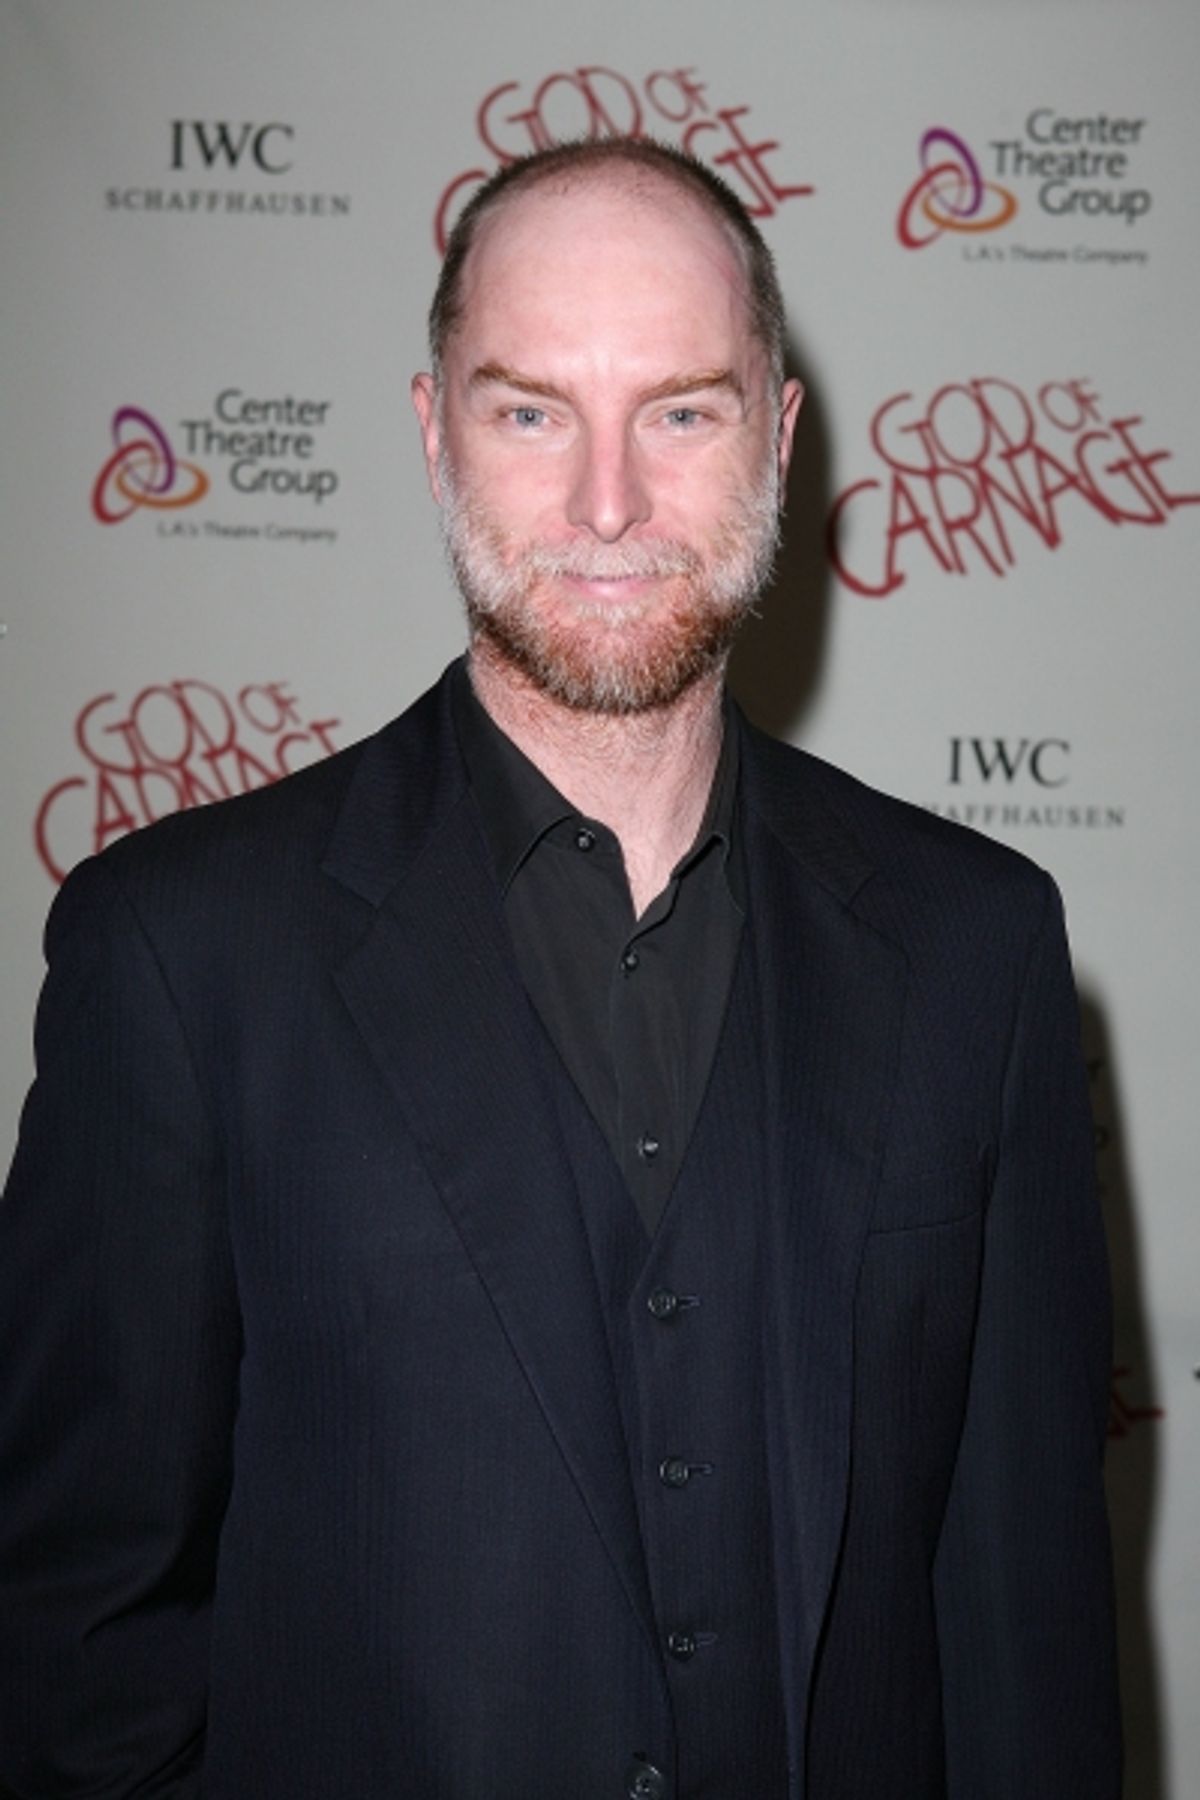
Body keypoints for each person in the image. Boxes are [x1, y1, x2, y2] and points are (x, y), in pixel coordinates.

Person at [0, 138, 1120, 1799]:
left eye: (681, 409)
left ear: (782, 440)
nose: (609, 502)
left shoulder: (979, 947)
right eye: (532, 411)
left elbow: (1026, 1639)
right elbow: (73, 1648)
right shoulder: (178, 954)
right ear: (434, 433)